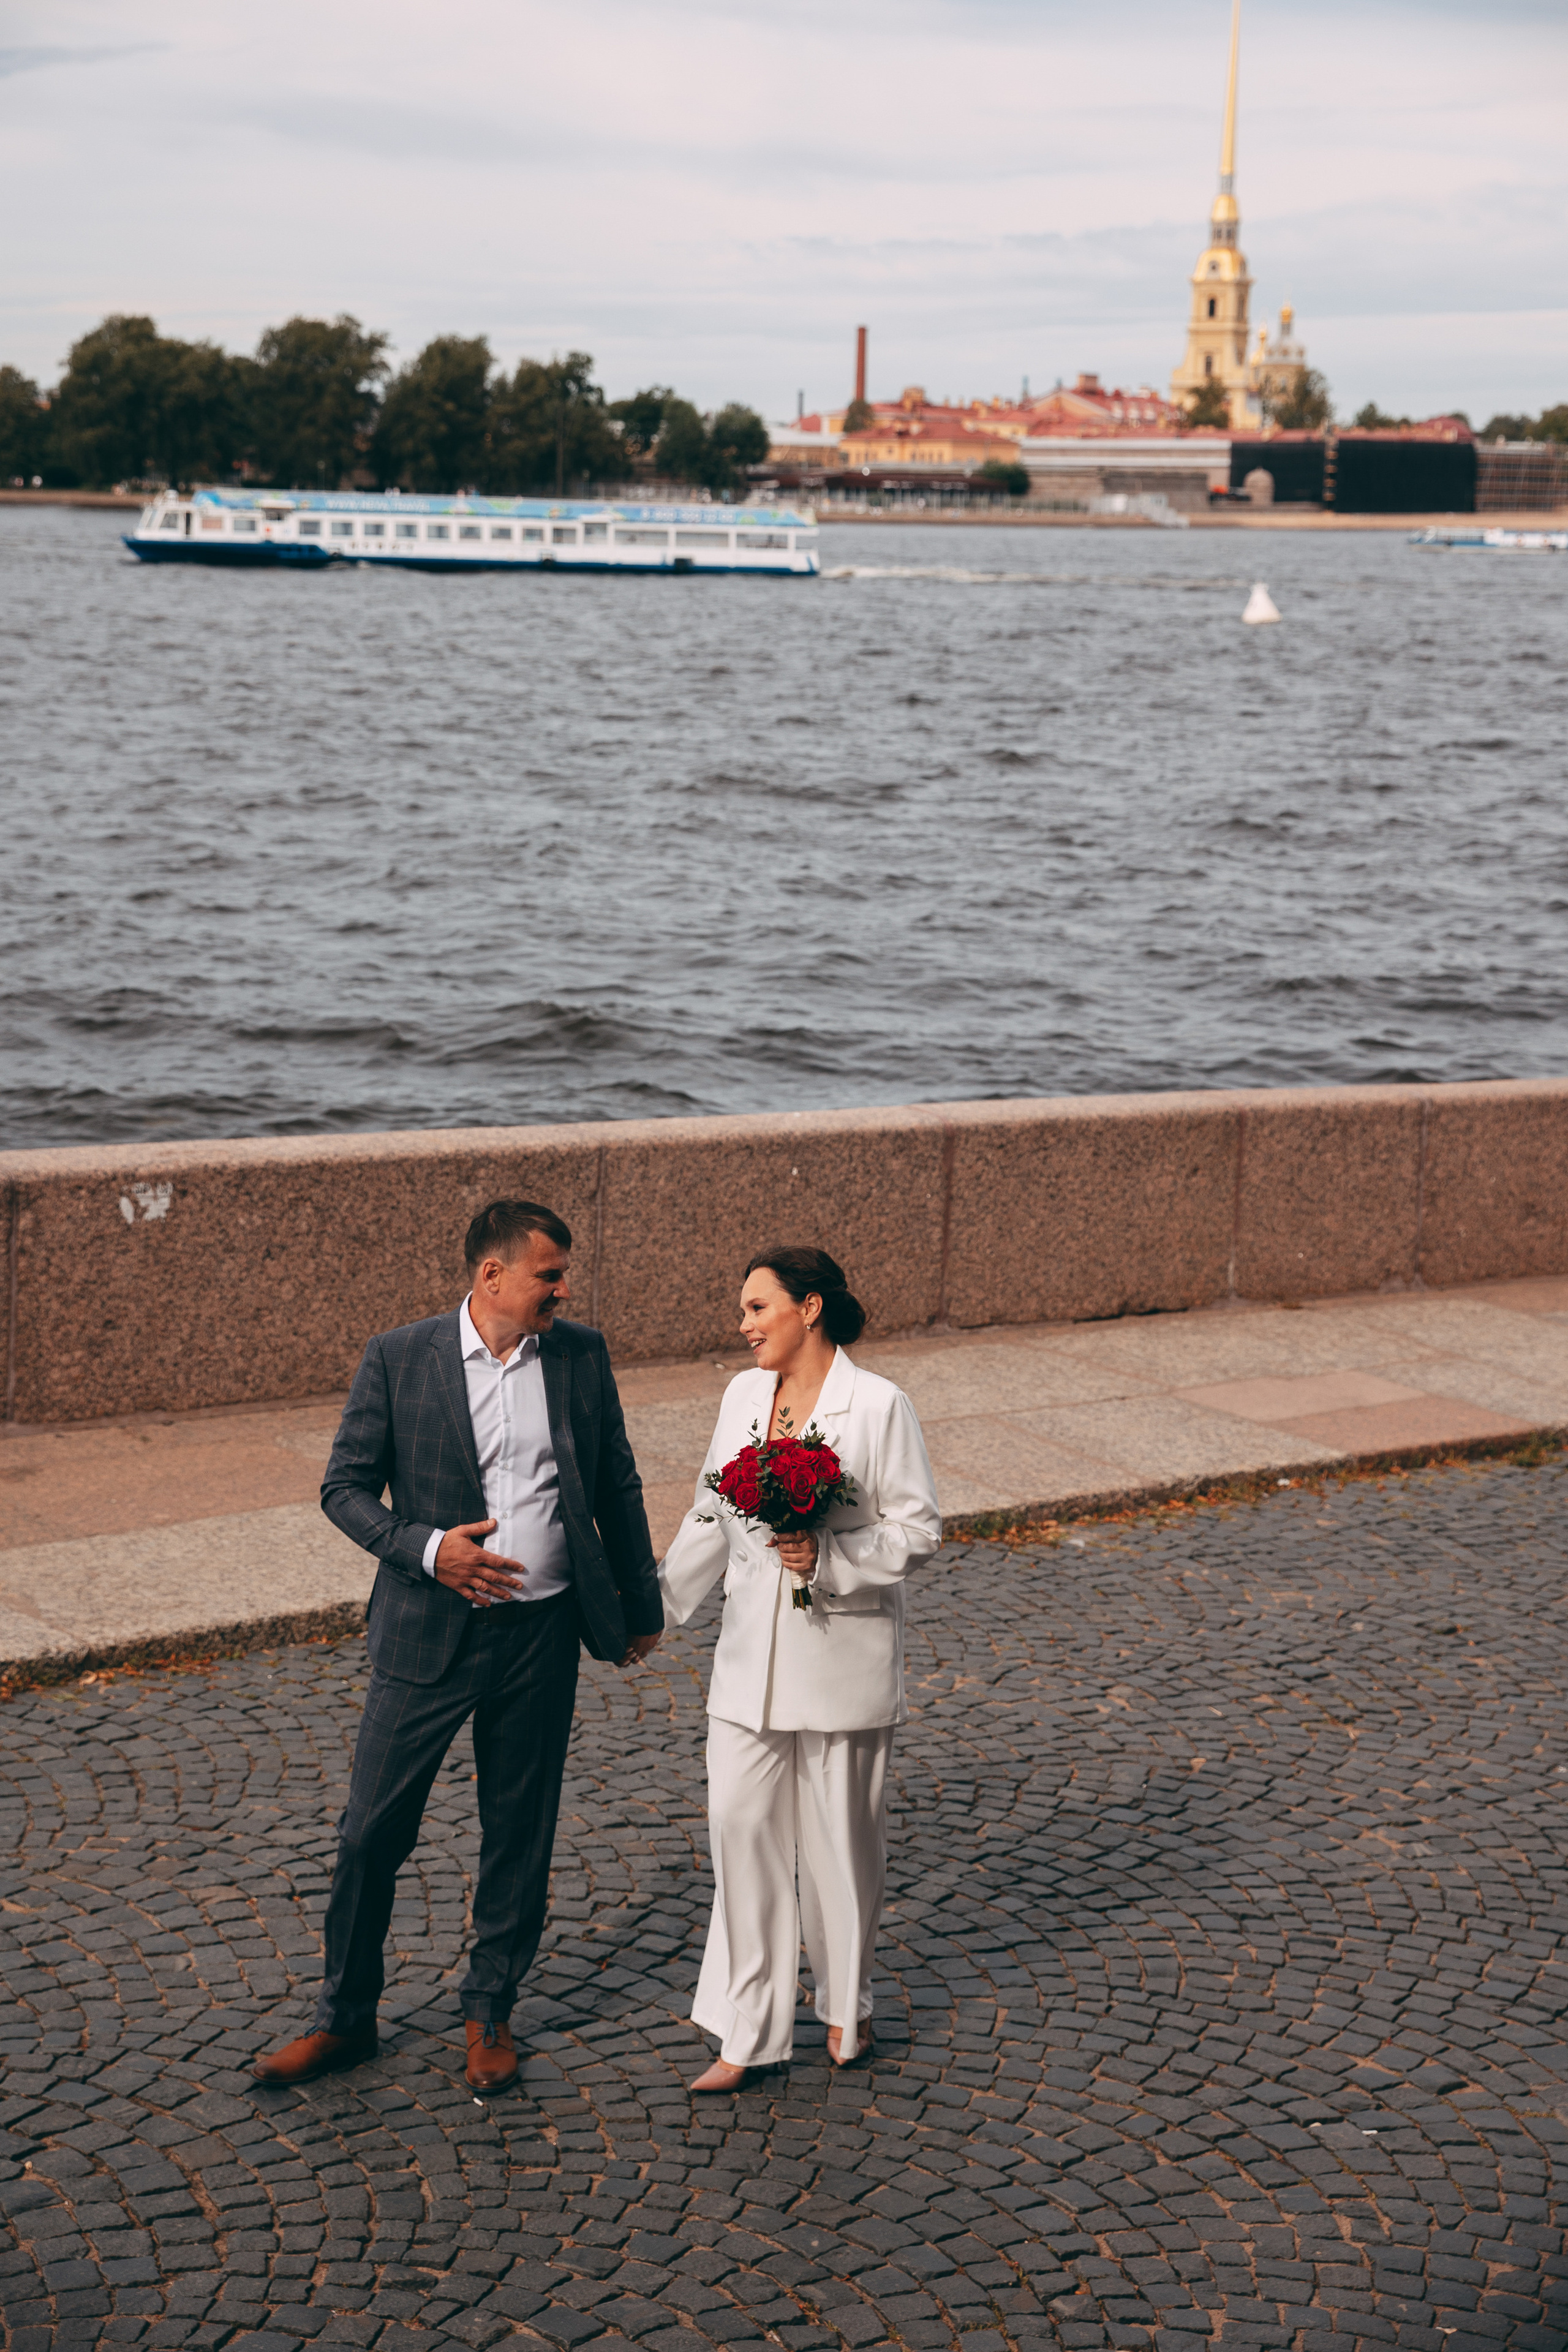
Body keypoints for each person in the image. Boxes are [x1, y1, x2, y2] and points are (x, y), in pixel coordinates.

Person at [255, 1199, 663, 2095]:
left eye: (563, 1275)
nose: (563, 1289)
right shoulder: (402, 1357)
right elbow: (345, 1488)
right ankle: (345, 2019)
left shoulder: (582, 1355)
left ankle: (489, 2011)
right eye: (549, 1274)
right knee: (370, 1834)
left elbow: (616, 1479)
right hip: (427, 1634)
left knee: (520, 1830)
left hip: (544, 1631)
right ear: (492, 1275)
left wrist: (641, 1603)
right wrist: (433, 1550)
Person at [658, 1244, 941, 2091]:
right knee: (739, 1832)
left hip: (841, 1658)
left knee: (842, 1848)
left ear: (808, 1308)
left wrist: (827, 1557)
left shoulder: (881, 1405)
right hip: (747, 1664)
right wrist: (656, 1610)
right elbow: (712, 1512)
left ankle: (846, 2008)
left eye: (756, 1308)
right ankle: (750, 2031)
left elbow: (919, 1529)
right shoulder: (744, 1396)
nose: (742, 1326)